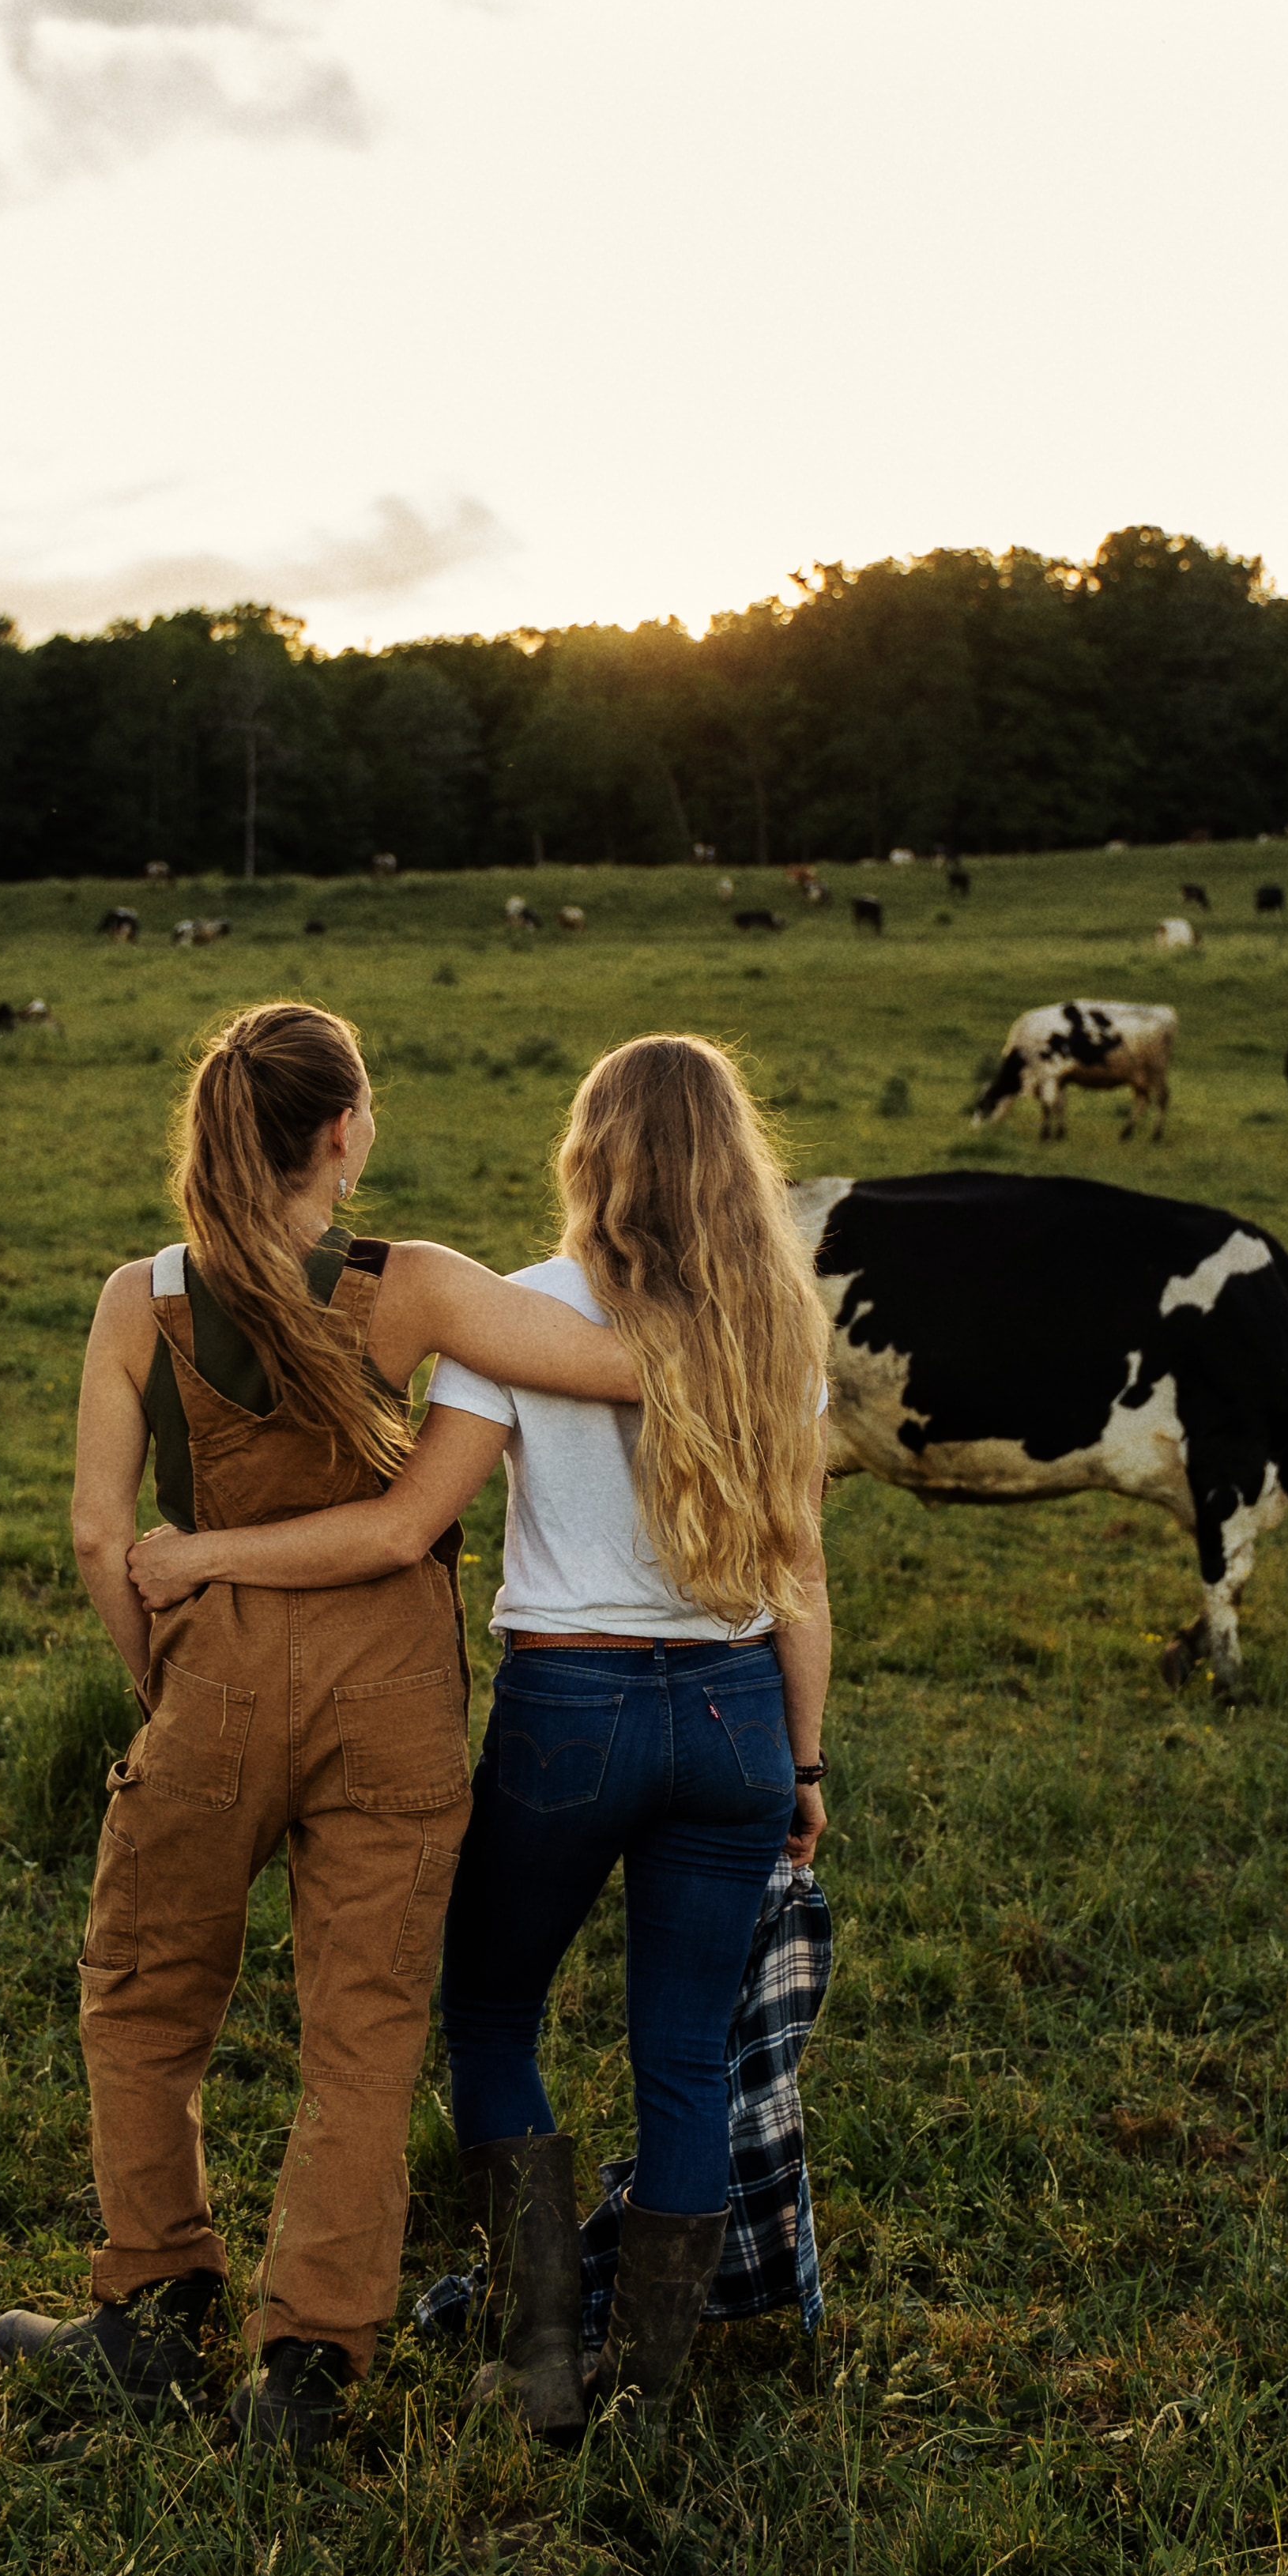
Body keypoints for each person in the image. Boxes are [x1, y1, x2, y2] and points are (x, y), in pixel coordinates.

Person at [134, 1033, 833, 2439]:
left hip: (572, 1711)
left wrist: (206, 1555)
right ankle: (648, 2395)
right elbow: (803, 1574)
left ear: (589, 1153)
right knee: (685, 2055)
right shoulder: (777, 1328)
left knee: (493, 2009)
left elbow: (406, 1526)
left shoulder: (519, 1309)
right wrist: (805, 1764)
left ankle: (540, 2361)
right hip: (739, 1710)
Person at [0, 1001, 646, 2457]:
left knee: (146, 1997)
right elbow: (625, 1369)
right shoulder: (410, 1290)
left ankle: (153, 2307)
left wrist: (171, 1681)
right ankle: (307, 2366)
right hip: (394, 1693)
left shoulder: (133, 1301)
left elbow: (103, 1538)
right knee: (362, 2035)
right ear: (344, 1131)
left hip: (209, 1667)